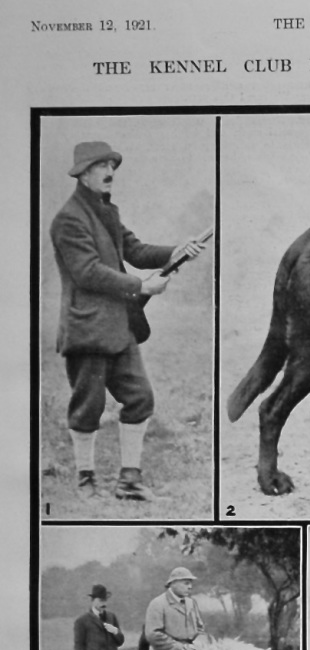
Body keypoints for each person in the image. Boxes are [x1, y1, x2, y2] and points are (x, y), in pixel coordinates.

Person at [49, 141, 206, 504]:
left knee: (140, 398)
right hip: (87, 329)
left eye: (111, 166)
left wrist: (176, 251)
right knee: (88, 407)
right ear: (82, 173)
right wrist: (142, 285)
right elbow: (88, 273)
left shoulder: (107, 212)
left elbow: (134, 250)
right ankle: (86, 479)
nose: (109, 173)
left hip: (120, 329)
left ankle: (129, 482)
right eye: (101, 166)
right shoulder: (68, 220)